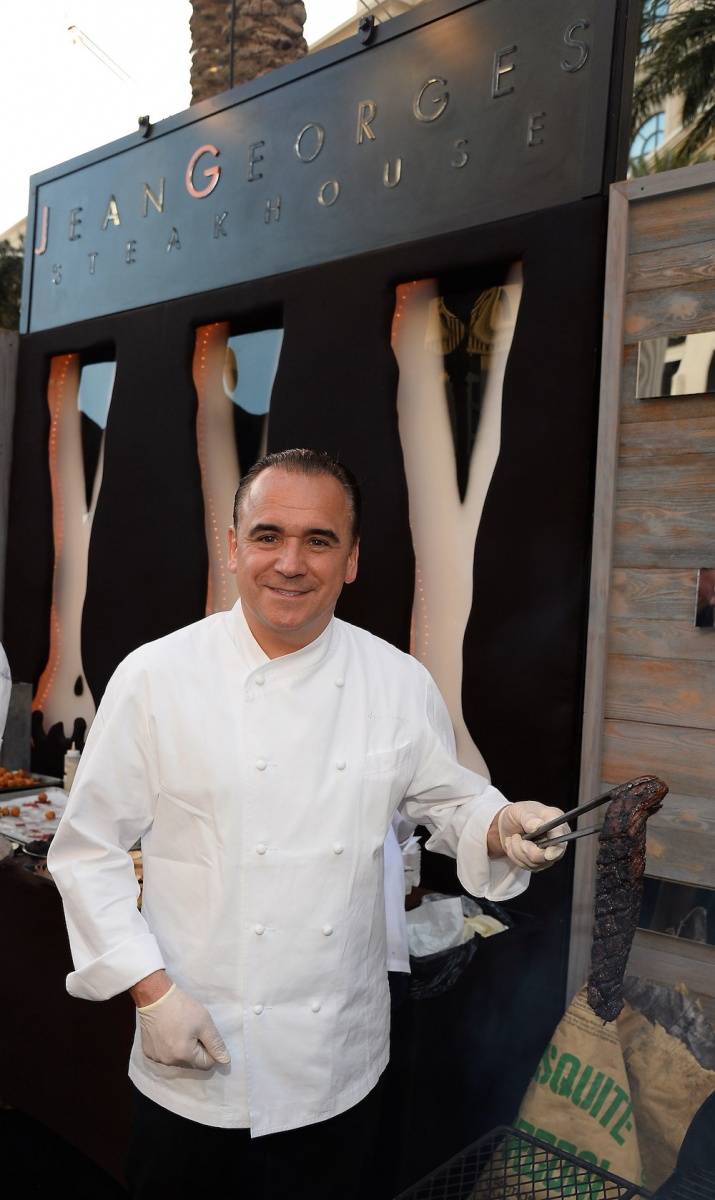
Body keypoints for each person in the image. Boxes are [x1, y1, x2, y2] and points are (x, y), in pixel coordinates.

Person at [48, 449, 568, 1199]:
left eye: (318, 541)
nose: (290, 563)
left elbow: (451, 802)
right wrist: (151, 994)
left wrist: (505, 823)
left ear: (351, 560)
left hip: (337, 1064)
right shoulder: (156, 678)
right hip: (197, 1052)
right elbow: (87, 852)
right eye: (268, 536)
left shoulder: (397, 681)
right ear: (233, 547)